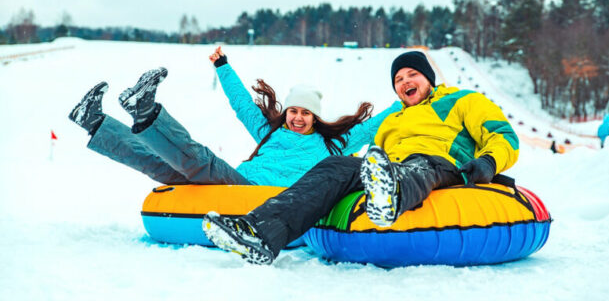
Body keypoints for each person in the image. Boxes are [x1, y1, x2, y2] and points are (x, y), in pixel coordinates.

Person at [203, 51, 519, 265]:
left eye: (413, 75)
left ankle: (390, 196)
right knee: (334, 165)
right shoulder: (394, 121)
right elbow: (372, 159)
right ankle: (259, 233)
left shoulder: (462, 100)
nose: (406, 82)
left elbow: (504, 136)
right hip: (391, 166)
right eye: (399, 80)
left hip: (439, 163)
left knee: (419, 165)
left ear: (428, 78)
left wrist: (489, 162)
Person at [68, 47, 401, 187]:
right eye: (293, 111)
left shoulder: (332, 146)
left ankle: (145, 110)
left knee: (201, 160)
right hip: (235, 183)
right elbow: (242, 104)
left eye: (305, 113)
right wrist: (223, 66)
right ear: (286, 112)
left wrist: (407, 100)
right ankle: (94, 121)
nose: (298, 118)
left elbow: (375, 125)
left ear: (315, 117)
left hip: (254, 194)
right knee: (159, 162)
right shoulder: (270, 133)